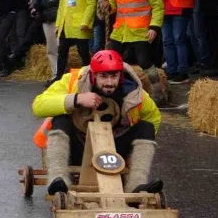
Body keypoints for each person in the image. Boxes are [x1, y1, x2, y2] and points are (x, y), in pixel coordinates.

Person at [32, 50, 162, 195]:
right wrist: (76, 99)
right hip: (77, 148)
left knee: (146, 127)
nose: (109, 83)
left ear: (120, 75)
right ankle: (58, 179)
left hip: (114, 152)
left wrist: (135, 154)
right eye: (103, 76)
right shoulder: (72, 80)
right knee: (60, 120)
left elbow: (154, 117)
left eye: (114, 76)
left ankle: (137, 184)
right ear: (93, 76)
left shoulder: (134, 93)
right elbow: (38, 106)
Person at [103, 0, 165, 102]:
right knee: (109, 61)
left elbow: (158, 6)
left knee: (145, 63)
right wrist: (106, 5)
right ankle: (111, 92)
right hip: (119, 31)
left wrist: (154, 27)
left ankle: (158, 93)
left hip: (140, 30)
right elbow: (112, 7)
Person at [52, 0, 96, 83]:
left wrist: (86, 22)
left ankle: (89, 78)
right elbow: (61, 6)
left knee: (83, 53)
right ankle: (59, 78)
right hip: (66, 24)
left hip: (80, 25)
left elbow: (91, 4)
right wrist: (58, 24)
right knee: (62, 52)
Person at [34, 0, 66, 84]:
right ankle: (55, 75)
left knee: (61, 47)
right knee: (51, 48)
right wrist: (37, 5)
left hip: (60, 15)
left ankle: (62, 75)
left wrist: (51, 0)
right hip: (46, 16)